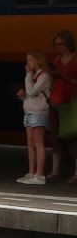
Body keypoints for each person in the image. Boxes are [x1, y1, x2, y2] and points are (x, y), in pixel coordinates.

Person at [15, 51, 52, 185]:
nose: (28, 63)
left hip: (39, 112)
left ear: (38, 61)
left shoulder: (44, 76)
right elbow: (29, 94)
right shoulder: (35, 76)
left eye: (30, 60)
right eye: (27, 60)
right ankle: (31, 172)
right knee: (30, 143)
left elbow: (32, 91)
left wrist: (28, 75)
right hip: (29, 111)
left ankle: (40, 175)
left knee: (38, 142)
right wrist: (22, 95)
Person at [47, 29, 77, 181]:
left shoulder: (75, 60)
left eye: (61, 44)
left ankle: (76, 172)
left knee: (73, 135)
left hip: (72, 101)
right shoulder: (56, 60)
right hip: (57, 101)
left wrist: (63, 76)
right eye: (56, 45)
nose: (59, 47)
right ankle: (55, 170)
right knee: (55, 135)